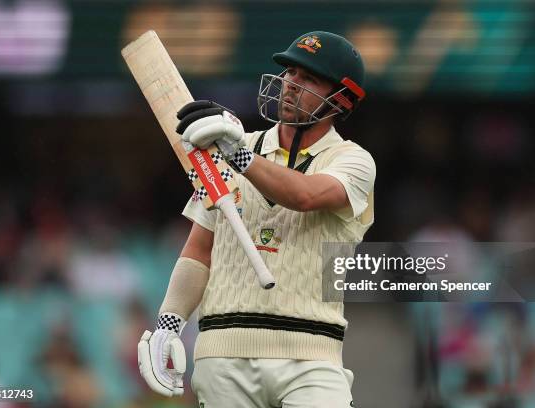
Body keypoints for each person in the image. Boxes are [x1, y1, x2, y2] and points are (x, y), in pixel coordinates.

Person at [137, 31, 376, 407]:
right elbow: (200, 249)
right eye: (290, 73)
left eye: (309, 78)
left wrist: (237, 154)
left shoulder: (353, 161)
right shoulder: (230, 145)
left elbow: (305, 194)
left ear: (341, 99)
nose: (291, 85)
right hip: (222, 354)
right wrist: (168, 325)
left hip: (311, 359)